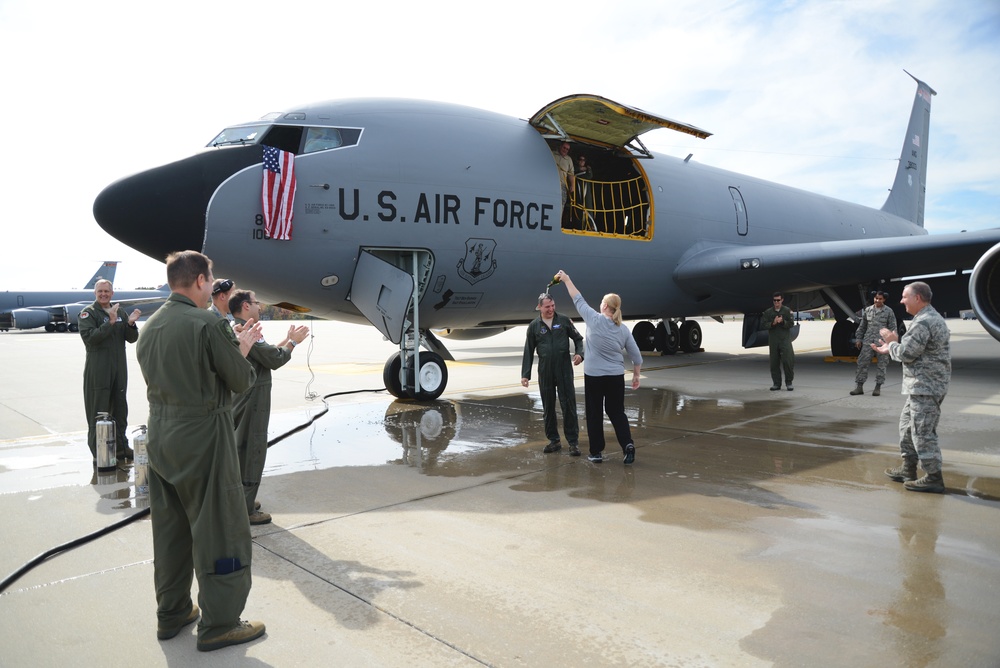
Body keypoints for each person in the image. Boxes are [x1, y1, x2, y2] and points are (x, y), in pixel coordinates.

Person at [136, 250, 268, 651]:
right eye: (210, 280)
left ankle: (172, 612)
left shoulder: (151, 325)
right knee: (221, 530)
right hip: (203, 437)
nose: (213, 287)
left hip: (161, 436)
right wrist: (241, 349)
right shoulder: (206, 323)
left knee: (171, 530)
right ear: (198, 281)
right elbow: (239, 380)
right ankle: (221, 623)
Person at [229, 289, 310, 524]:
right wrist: (294, 342)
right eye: (255, 302)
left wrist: (287, 339)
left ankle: (243, 500)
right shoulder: (246, 331)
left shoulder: (240, 328)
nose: (260, 306)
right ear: (245, 306)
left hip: (244, 400)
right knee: (252, 452)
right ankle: (246, 510)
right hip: (252, 403)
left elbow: (267, 353)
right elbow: (275, 359)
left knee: (241, 451)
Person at [554, 270, 642, 464]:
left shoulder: (593, 319)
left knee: (595, 413)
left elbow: (577, 298)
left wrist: (567, 279)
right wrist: (636, 375)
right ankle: (627, 445)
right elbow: (636, 356)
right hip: (615, 376)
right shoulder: (623, 329)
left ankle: (596, 452)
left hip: (594, 376)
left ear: (604, 305)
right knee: (616, 411)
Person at [872, 281, 951, 493]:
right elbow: (911, 349)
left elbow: (907, 353)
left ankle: (934, 477)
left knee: (922, 432)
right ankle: (908, 469)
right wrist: (893, 345)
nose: (901, 300)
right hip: (921, 386)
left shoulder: (924, 322)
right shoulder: (925, 319)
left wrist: (892, 343)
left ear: (917, 298)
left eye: (905, 296)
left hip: (926, 387)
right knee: (907, 427)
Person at [79, 279, 141, 461]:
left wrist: (130, 324)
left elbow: (131, 339)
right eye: (100, 291)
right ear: (95, 293)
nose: (104, 294)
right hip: (98, 369)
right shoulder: (88, 314)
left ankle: (121, 448)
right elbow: (90, 338)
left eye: (107, 291)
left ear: (112, 293)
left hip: (119, 368)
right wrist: (110, 323)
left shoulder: (120, 311)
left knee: (120, 408)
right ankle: (99, 453)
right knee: (99, 411)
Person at [520, 293, 585, 456]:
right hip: (545, 370)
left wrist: (579, 354)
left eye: (553, 305)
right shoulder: (534, 326)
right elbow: (528, 350)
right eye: (547, 306)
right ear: (539, 307)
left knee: (568, 405)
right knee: (548, 406)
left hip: (563, 369)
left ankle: (573, 443)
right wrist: (525, 374)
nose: (551, 309)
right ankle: (554, 440)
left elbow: (578, 339)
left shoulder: (563, 320)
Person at [851, 290, 897, 396]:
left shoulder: (888, 311)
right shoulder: (868, 310)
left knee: (882, 365)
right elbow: (863, 326)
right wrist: (858, 338)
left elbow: (893, 328)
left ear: (884, 299)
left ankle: (878, 387)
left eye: (880, 299)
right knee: (862, 363)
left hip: (882, 343)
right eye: (876, 298)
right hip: (868, 342)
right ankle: (859, 387)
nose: (877, 300)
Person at [762, 292, 795, 390]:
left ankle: (789, 382)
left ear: (782, 300)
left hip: (784, 340)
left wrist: (782, 322)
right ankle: (776, 383)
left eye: (778, 300)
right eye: (775, 300)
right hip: (773, 340)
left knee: (787, 361)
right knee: (774, 363)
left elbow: (791, 324)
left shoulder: (787, 311)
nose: (776, 302)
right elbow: (763, 325)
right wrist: (773, 323)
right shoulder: (768, 312)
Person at [552, 142, 575, 225]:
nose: (565, 150)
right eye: (564, 147)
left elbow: (571, 174)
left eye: (567, 149)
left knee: (561, 204)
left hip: (562, 185)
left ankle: (557, 224)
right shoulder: (552, 154)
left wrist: (572, 185)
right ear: (560, 146)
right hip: (551, 184)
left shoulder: (569, 160)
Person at [574, 154, 595, 230]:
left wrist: (584, 170)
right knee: (578, 208)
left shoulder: (588, 169)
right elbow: (574, 173)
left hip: (586, 192)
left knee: (588, 207)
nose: (582, 161)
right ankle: (580, 227)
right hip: (578, 191)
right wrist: (580, 169)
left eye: (584, 160)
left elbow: (589, 176)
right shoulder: (574, 168)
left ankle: (591, 226)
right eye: (580, 159)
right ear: (577, 160)